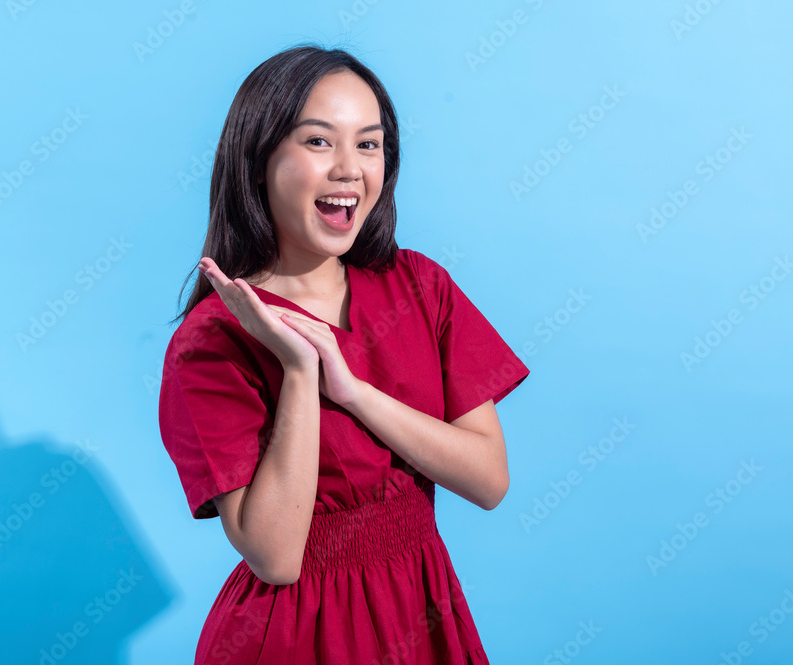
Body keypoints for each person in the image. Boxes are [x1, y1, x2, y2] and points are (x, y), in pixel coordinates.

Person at [158, 43, 530, 665]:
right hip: (295, 632)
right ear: (258, 161)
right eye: (318, 141)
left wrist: (354, 390)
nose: (350, 169)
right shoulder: (213, 338)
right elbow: (275, 556)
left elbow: (488, 480)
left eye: (369, 143)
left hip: (423, 608)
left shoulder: (420, 285)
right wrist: (301, 373)